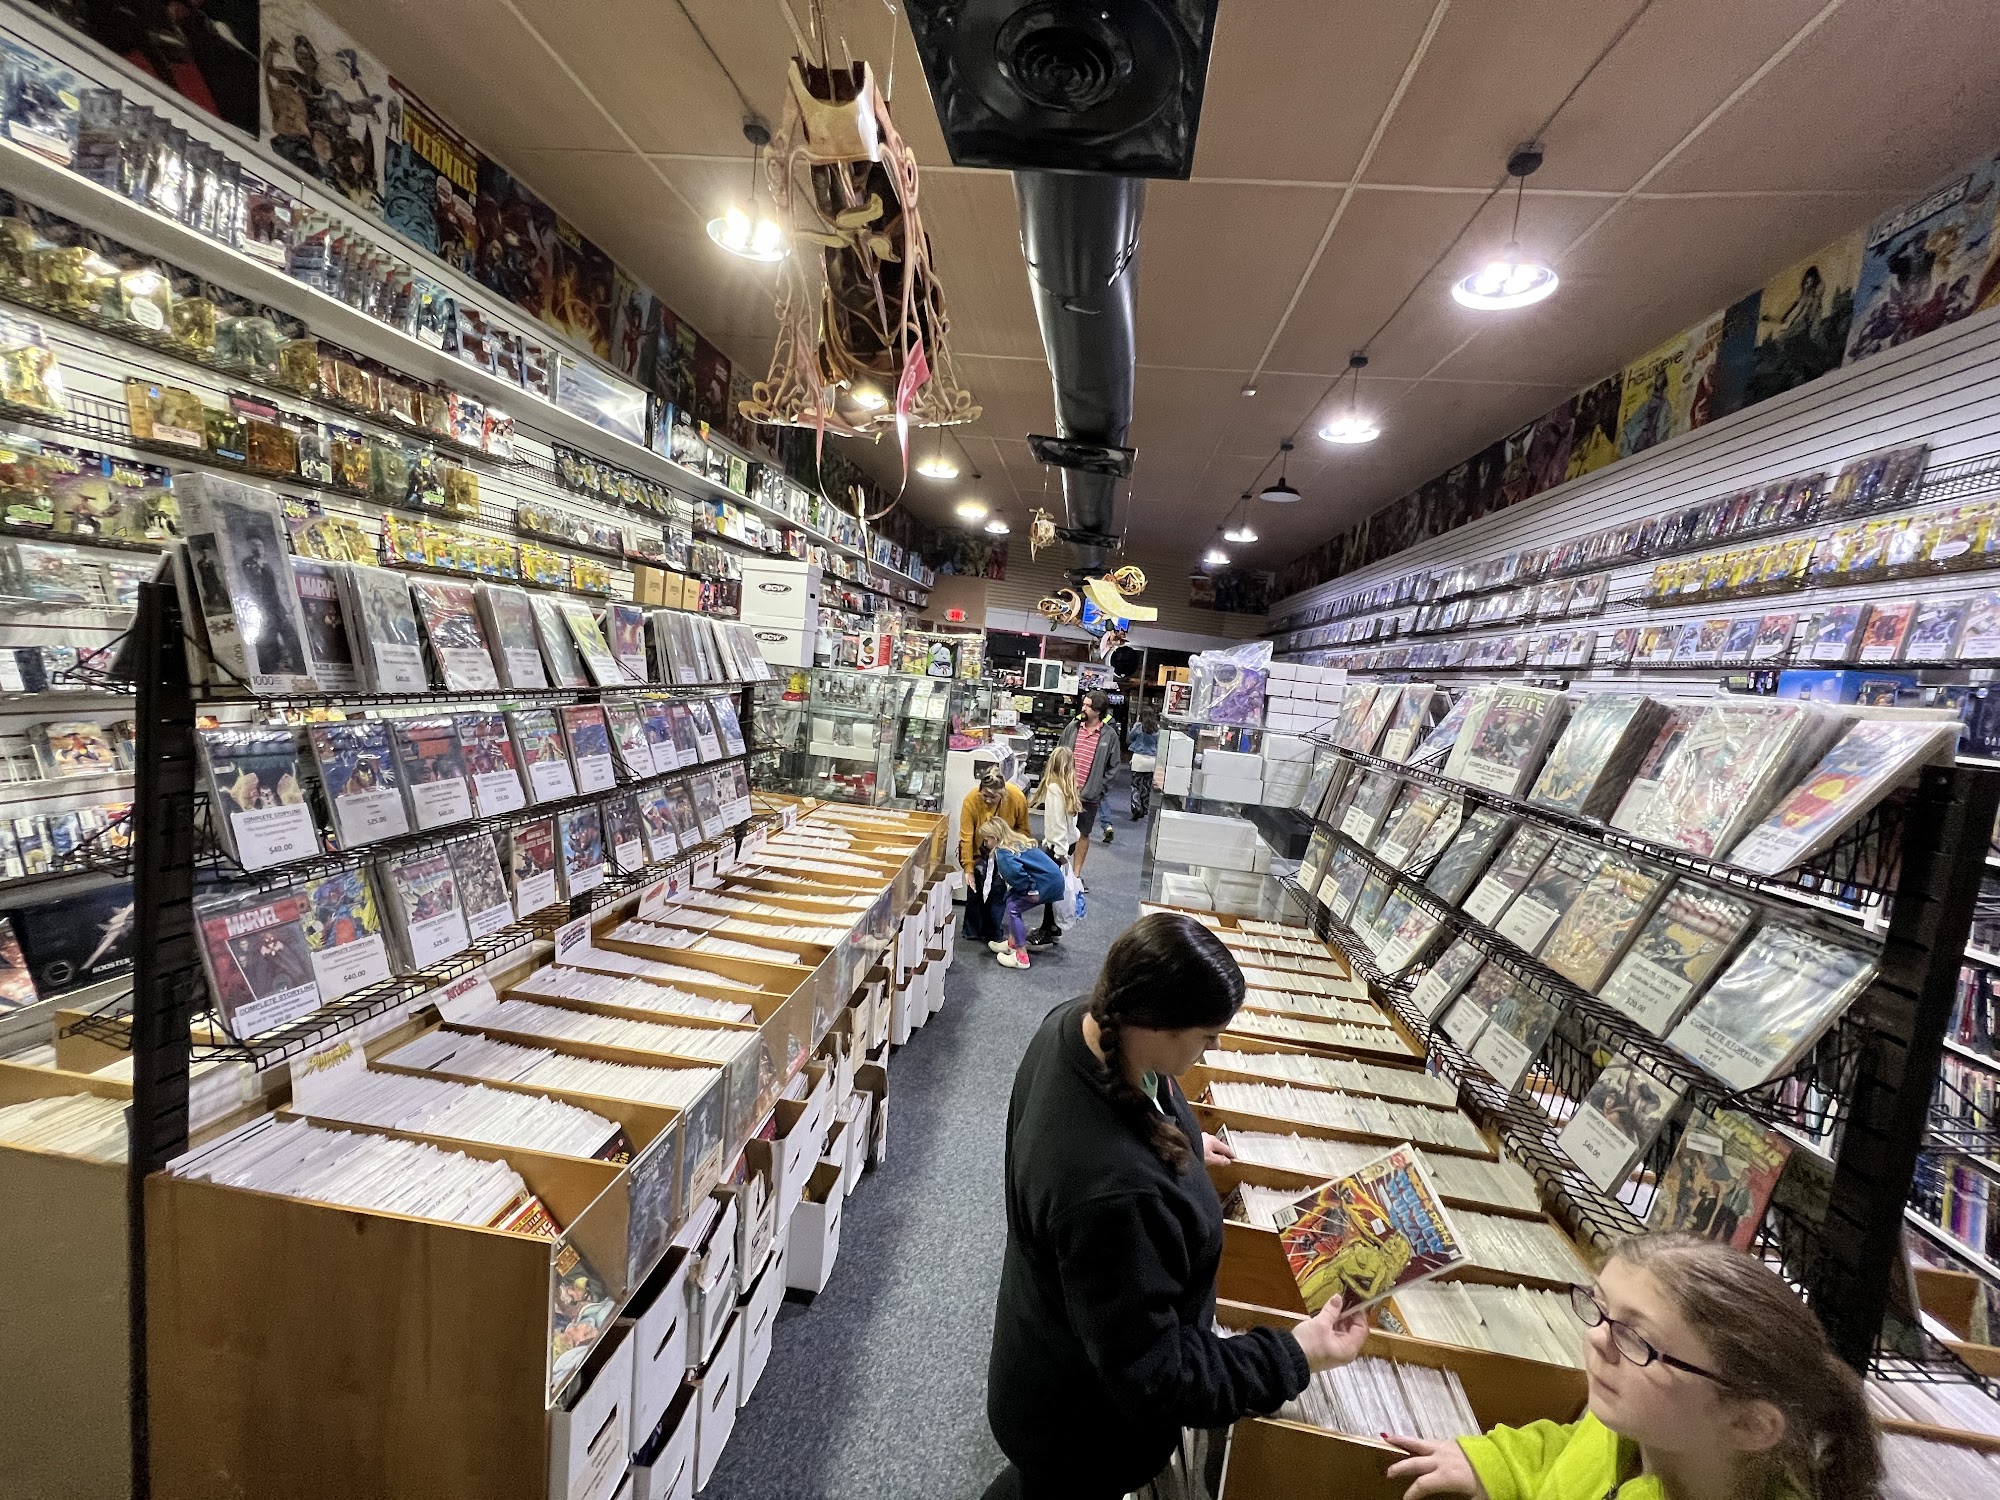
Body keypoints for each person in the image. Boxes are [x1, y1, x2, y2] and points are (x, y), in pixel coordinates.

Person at [983, 912, 1368, 1497]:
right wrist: (1297, 1354)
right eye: (1207, 1036)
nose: (1215, 1048)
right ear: (1159, 1026)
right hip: (1083, 1431)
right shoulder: (1116, 1195)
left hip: (1045, 1359)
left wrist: (1181, 1138)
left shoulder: (1078, 1023)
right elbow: (1159, 1376)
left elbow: (1143, 1100)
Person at [1383, 1232, 1879, 1500]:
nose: (1598, 1339)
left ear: (1748, 1424)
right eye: (1599, 1309)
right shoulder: (1630, 1429)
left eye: (1636, 1339)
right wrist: (1491, 1463)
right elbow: (1564, 1454)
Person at [980, 819, 1065, 970]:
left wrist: (1032, 891)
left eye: (986, 840)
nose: (985, 844)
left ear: (994, 837)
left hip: (1045, 884)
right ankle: (1012, 943)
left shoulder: (1004, 854)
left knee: (1014, 908)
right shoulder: (1017, 841)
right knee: (1010, 899)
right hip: (1052, 879)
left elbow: (1017, 875)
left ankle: (1021, 956)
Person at [959, 764, 1029, 944]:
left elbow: (1024, 830)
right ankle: (972, 931)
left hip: (1005, 851)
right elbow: (966, 837)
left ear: (1003, 794)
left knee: (998, 889)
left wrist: (1017, 856)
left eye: (994, 797)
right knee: (975, 887)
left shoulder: (1017, 798)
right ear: (980, 790)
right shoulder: (970, 800)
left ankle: (993, 932)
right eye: (985, 795)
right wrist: (968, 868)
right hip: (978, 850)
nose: (988, 800)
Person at [1059, 691, 1121, 884]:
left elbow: (1114, 766)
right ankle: (1057, 872)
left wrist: (1099, 788)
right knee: (1060, 833)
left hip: (1089, 796)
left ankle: (1076, 876)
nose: (1083, 708)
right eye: (1084, 704)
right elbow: (1059, 752)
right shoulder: (1073, 727)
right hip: (1065, 792)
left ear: (1098, 710)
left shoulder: (1109, 735)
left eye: (1087, 706)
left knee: (1083, 835)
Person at [1027, 747, 1081, 947]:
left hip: (1058, 848)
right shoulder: (1069, 787)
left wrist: (1059, 851)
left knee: (1050, 890)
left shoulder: (1054, 789)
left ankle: (1047, 929)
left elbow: (1057, 822)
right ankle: (1052, 927)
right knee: (1056, 888)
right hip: (1068, 843)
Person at [1126, 708, 1160, 820]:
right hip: (1152, 760)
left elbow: (1130, 738)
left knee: (1135, 785)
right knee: (1147, 786)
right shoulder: (1157, 728)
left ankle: (1136, 806)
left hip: (1139, 759)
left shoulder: (1138, 726)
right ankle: (1145, 809)